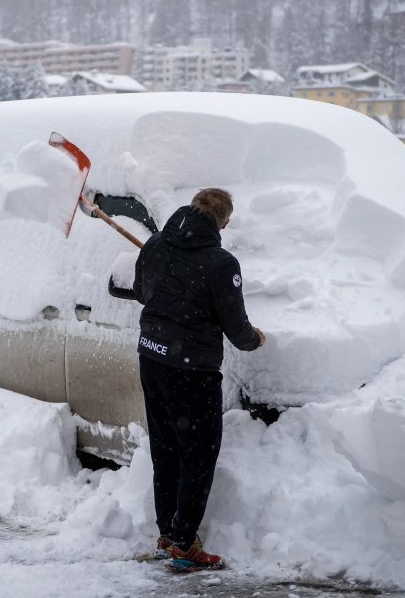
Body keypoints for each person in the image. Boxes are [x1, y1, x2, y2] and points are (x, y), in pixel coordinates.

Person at [117, 188, 265, 571]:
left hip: (151, 357)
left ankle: (169, 533)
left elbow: (141, 292)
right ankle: (184, 543)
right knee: (198, 456)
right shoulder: (221, 264)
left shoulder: (154, 245)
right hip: (191, 369)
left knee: (165, 449)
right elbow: (237, 332)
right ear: (224, 222)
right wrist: (256, 339)